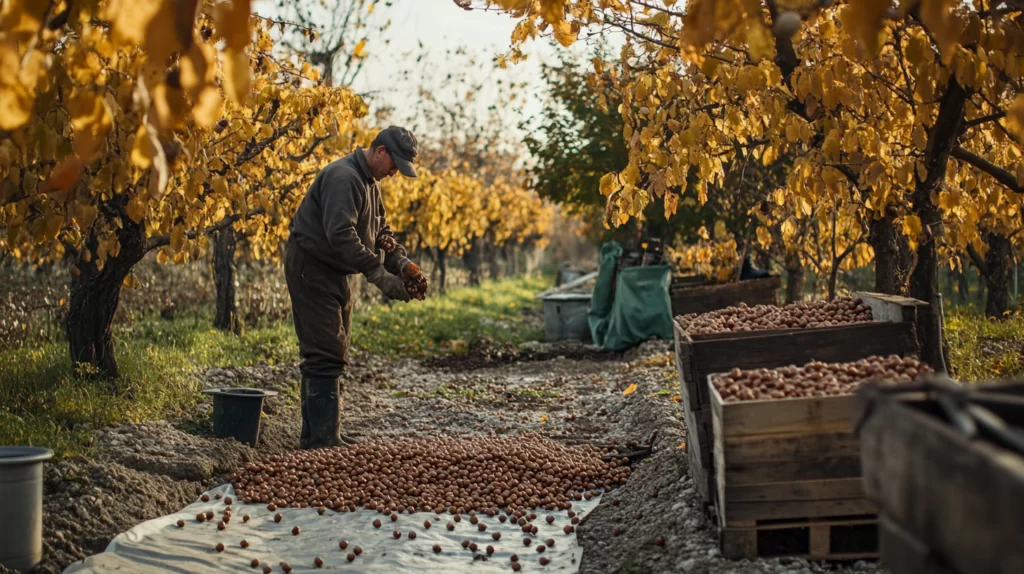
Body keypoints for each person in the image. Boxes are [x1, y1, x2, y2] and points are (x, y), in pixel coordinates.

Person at [284, 126, 427, 449]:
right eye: (394, 166)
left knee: (335, 346)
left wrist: (402, 264)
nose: (393, 174)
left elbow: (382, 232)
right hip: (312, 265)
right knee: (325, 349)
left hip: (334, 270)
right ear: (380, 152)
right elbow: (341, 235)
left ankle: (319, 433)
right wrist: (378, 276)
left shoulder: (369, 183)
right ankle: (322, 439)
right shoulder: (343, 177)